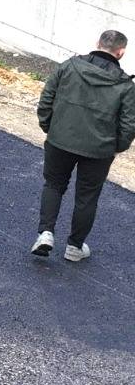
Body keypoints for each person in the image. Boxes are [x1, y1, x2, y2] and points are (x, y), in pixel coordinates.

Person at [31, 30, 135, 261]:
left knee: (54, 185)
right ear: (121, 52)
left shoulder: (68, 66)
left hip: (60, 140)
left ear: (97, 43)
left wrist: (51, 127)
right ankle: (74, 247)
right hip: (99, 150)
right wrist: (116, 146)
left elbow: (46, 99)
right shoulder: (126, 86)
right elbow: (129, 125)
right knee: (87, 197)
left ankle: (45, 233)